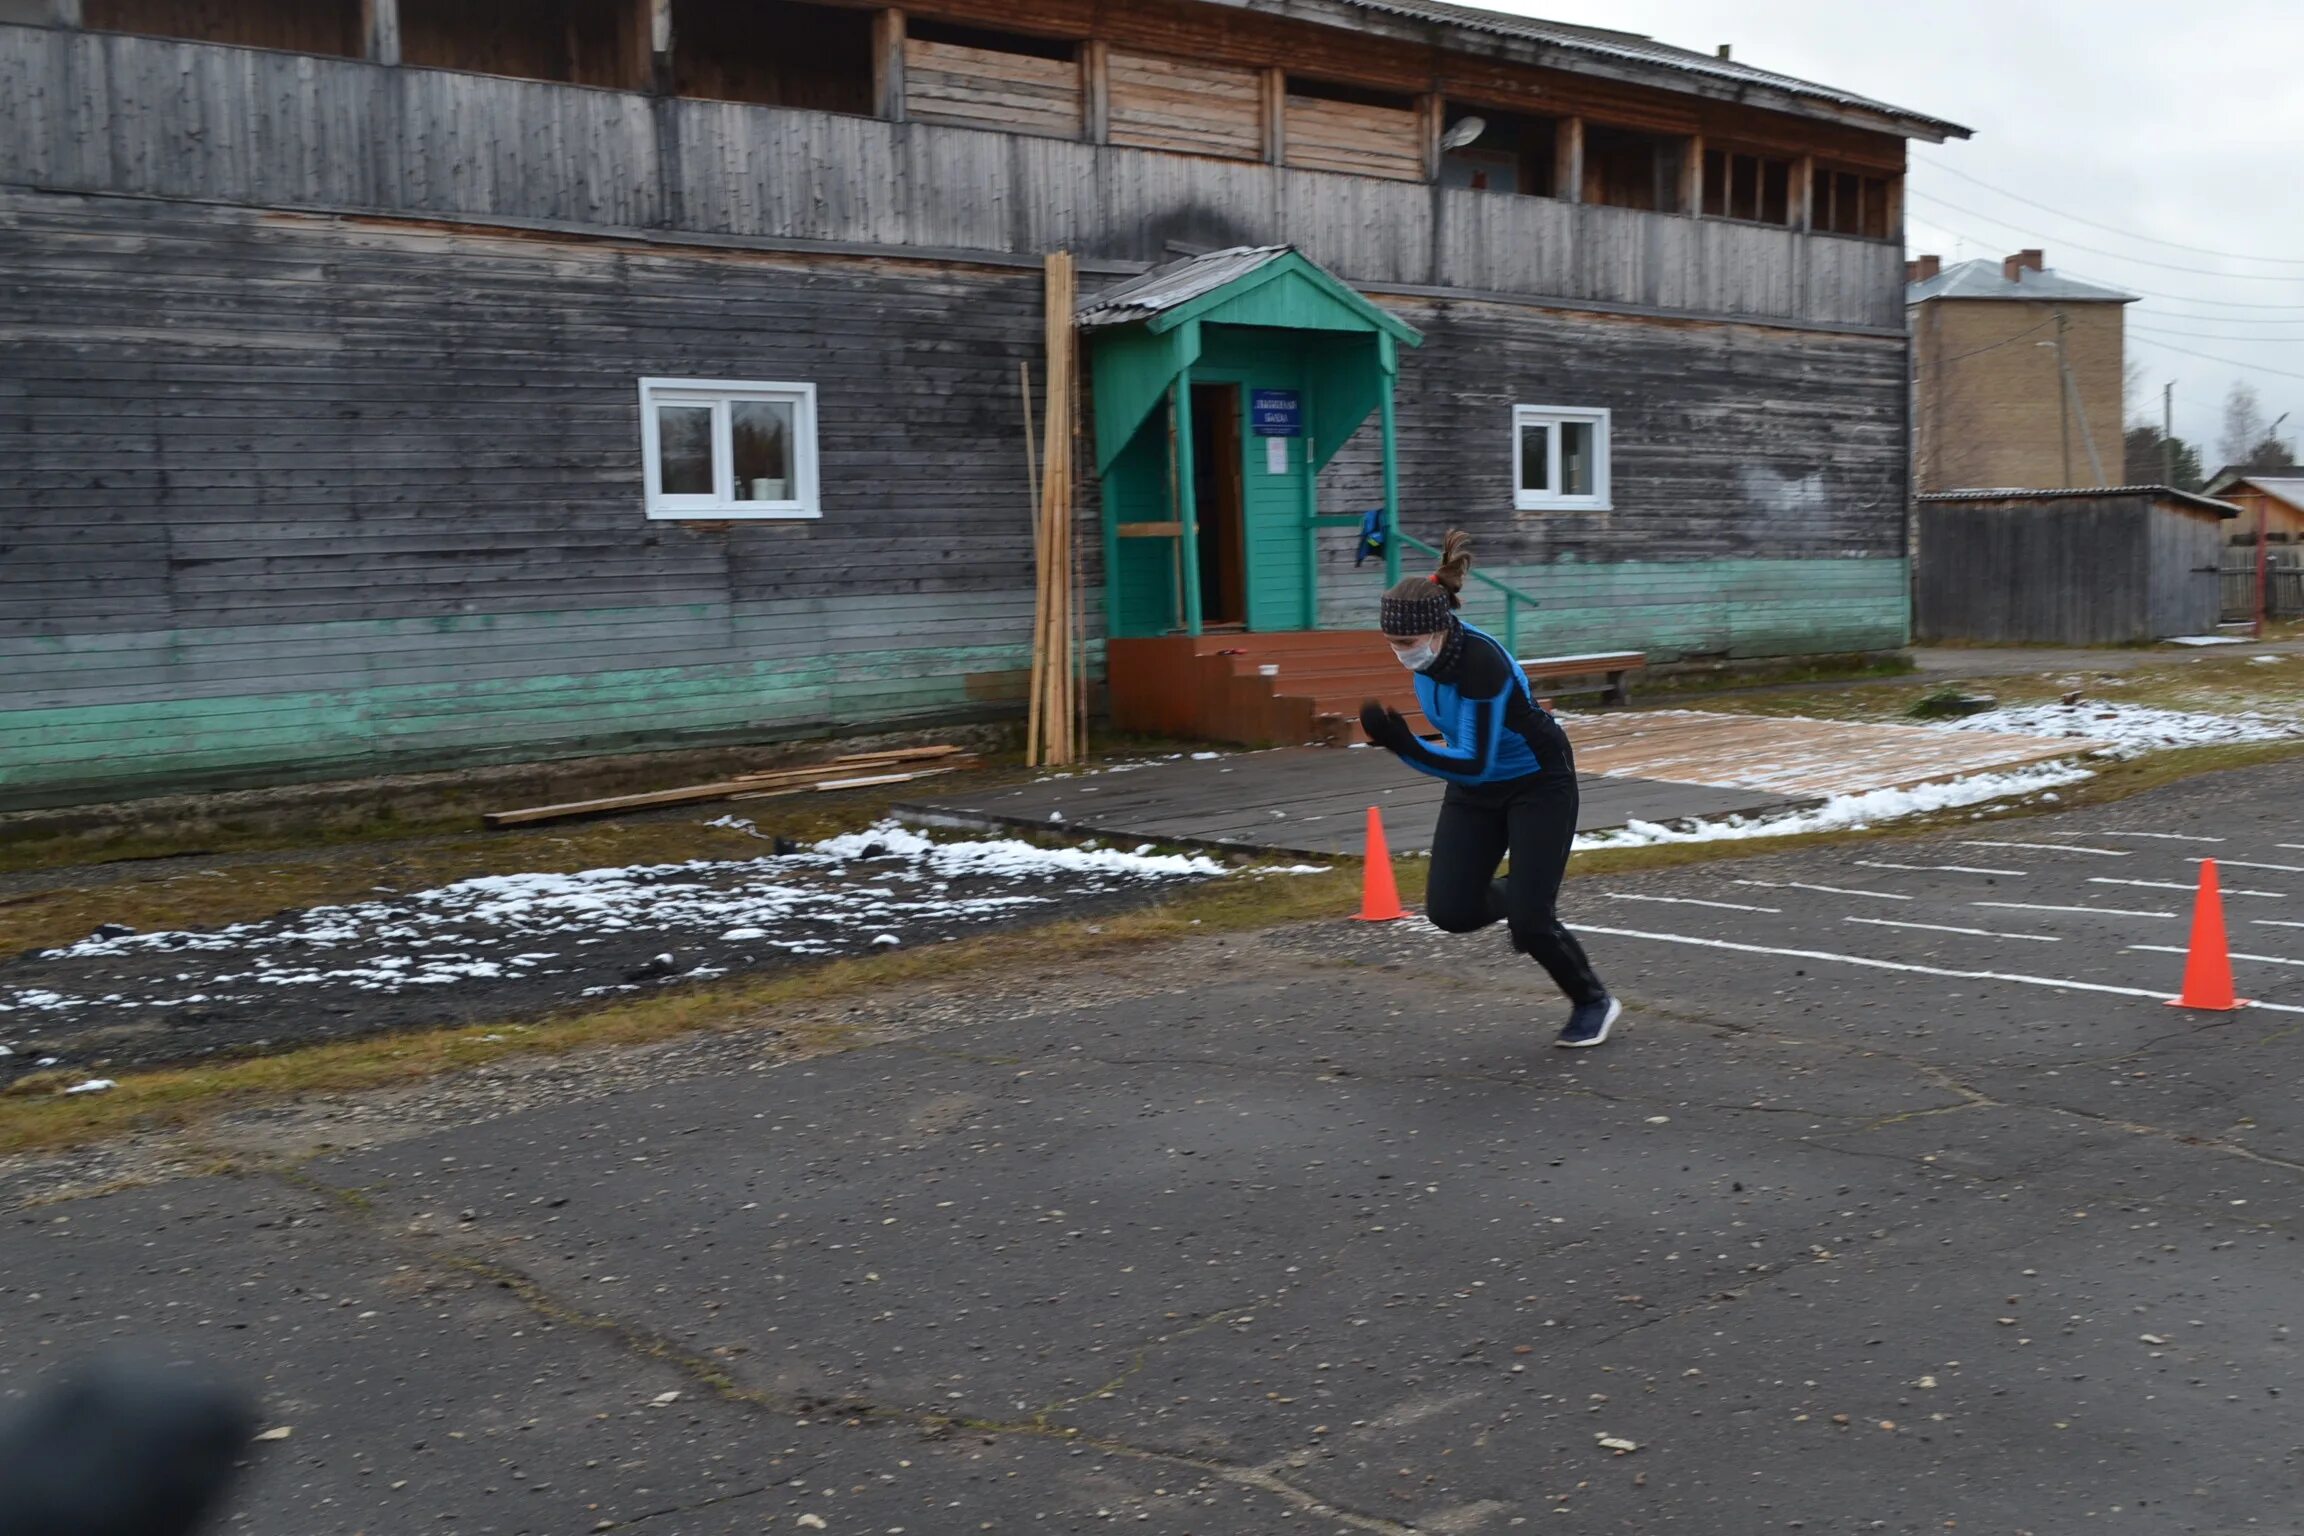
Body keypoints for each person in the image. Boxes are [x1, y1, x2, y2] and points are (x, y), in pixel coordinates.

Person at [1358, 530, 1619, 1047]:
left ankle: (1593, 1001)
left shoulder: (1481, 663)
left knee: (1531, 922)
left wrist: (1402, 744)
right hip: (1475, 787)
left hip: (1536, 783)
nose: (1399, 654)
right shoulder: (1430, 658)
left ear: (1437, 630)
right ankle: (1525, 896)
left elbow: (1475, 760)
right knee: (1451, 912)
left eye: (1405, 644)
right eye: (1391, 644)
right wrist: (1412, 743)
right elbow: (1468, 761)